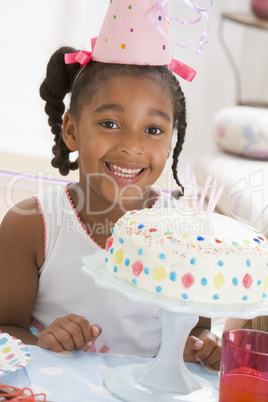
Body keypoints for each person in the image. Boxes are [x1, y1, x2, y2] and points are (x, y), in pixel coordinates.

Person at [0, 1, 221, 370]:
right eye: (110, 124)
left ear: (170, 142)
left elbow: (198, 329)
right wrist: (44, 341)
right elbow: (5, 330)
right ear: (71, 130)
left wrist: (205, 346)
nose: (132, 146)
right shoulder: (30, 225)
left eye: (153, 130)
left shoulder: (187, 234)